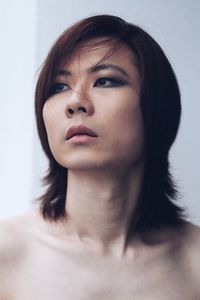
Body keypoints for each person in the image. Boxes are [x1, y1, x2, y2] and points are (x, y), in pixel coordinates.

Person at [0, 14, 199, 299]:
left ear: (155, 105)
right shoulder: (6, 254)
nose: (75, 101)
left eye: (104, 81)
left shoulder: (194, 263)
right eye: (59, 87)